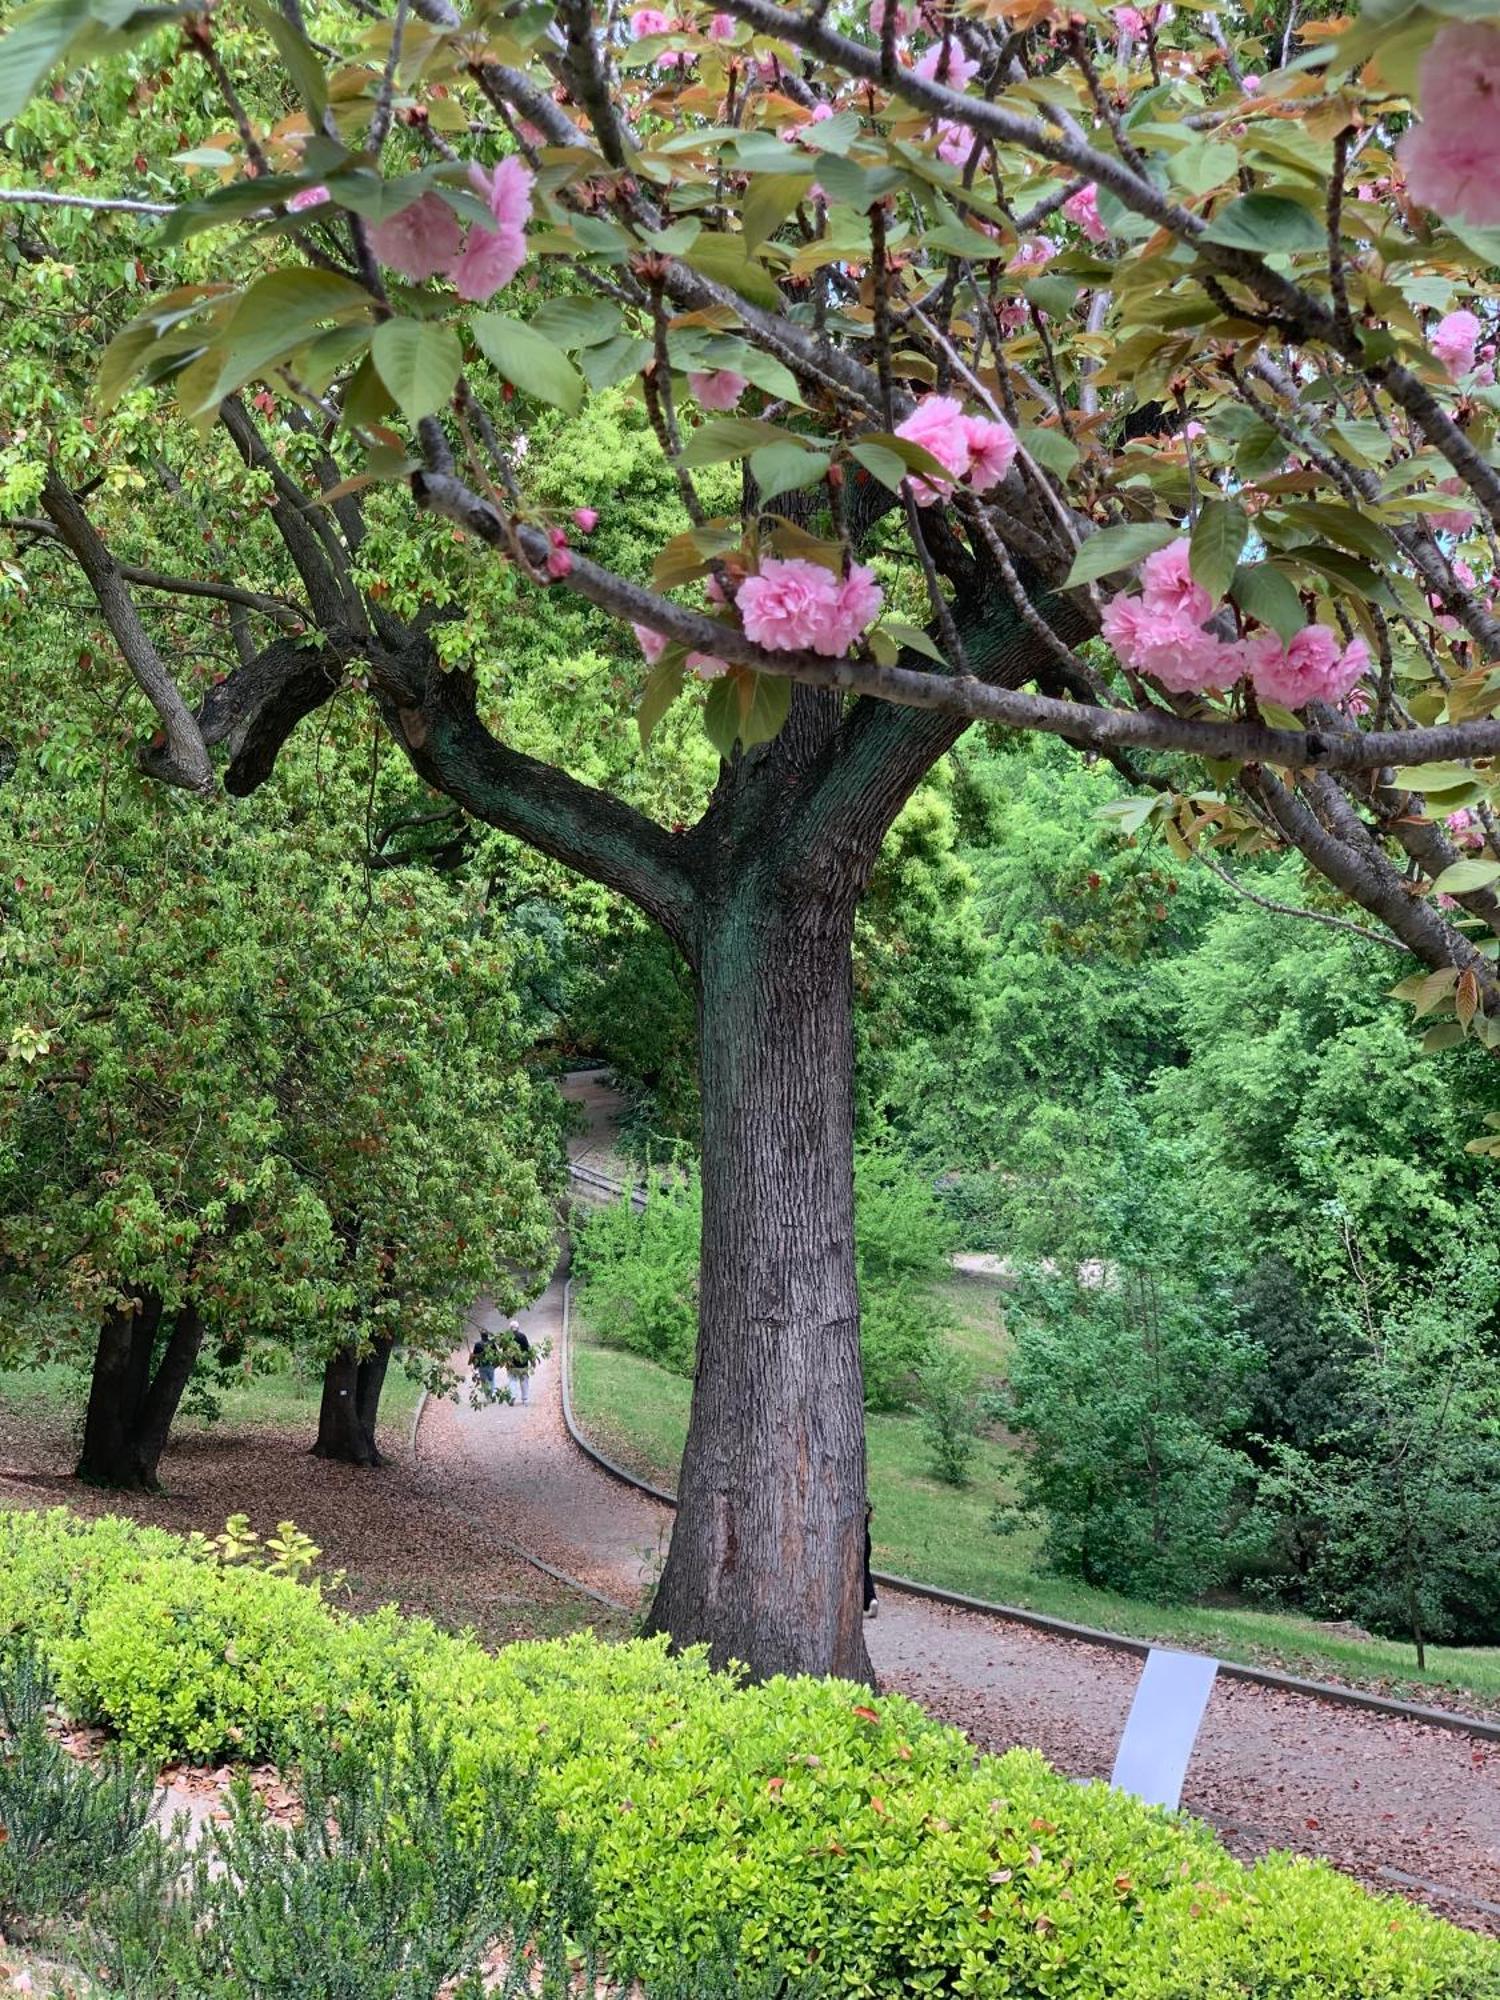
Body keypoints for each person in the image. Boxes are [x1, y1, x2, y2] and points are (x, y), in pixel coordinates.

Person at [504, 1319, 534, 1405]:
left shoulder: (507, 1338)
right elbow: (528, 1349)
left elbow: (504, 1352)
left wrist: (506, 1362)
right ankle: (525, 1399)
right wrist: (532, 1360)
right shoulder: (522, 1336)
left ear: (510, 1329)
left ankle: (512, 1395)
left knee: (512, 1380)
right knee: (524, 1380)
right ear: (518, 1328)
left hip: (512, 1364)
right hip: (523, 1363)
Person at [470, 1325, 500, 1397]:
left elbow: (475, 1355)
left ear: (481, 1336)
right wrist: (496, 1363)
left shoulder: (477, 1344)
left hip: (481, 1365)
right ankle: (492, 1392)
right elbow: (496, 1353)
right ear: (487, 1336)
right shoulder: (491, 1343)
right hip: (490, 1364)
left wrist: (474, 1365)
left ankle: (487, 1394)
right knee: (491, 1379)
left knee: (484, 1381)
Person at [863, 1501, 878, 1620]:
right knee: (865, 1570)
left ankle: (868, 1600)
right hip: (866, 1537)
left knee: (859, 1571)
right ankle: (871, 1598)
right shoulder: (865, 1501)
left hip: (856, 1538)